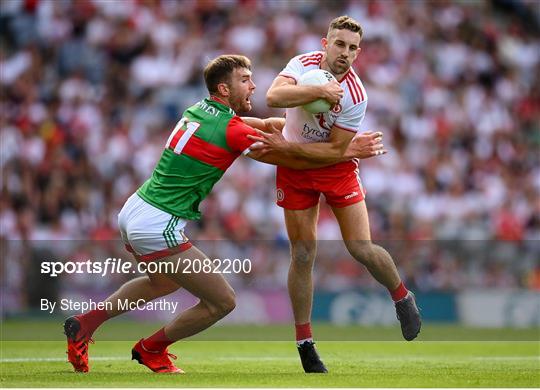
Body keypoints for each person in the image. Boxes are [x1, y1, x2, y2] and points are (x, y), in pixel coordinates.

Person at [63, 54, 386, 374]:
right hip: (157, 224)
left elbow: (266, 126)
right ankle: (151, 349)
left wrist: (300, 129)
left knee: (161, 283)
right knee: (222, 302)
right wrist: (348, 149)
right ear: (224, 89)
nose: (254, 86)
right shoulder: (232, 130)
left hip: (134, 210)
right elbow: (295, 161)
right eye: (245, 80)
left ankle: (84, 324)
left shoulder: (202, 110)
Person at [249, 15, 422, 373]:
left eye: (353, 48)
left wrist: (286, 148)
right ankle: (305, 344)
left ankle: (401, 296)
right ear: (325, 43)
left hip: (334, 168)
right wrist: (316, 92)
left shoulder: (356, 95)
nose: (345, 52)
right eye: (339, 44)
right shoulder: (303, 63)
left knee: (360, 247)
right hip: (297, 170)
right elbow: (272, 96)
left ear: (359, 53)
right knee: (301, 254)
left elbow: (333, 152)